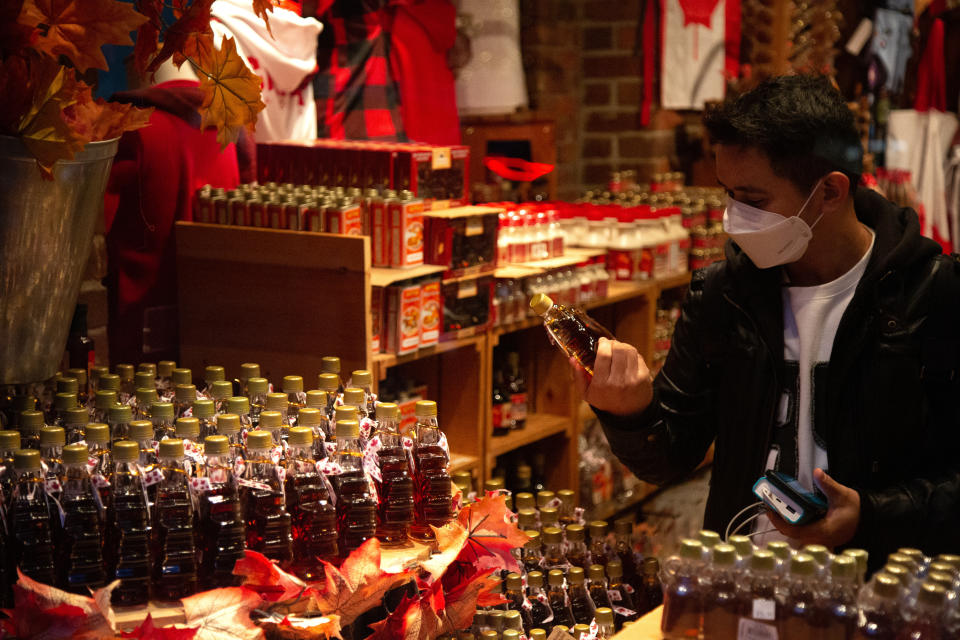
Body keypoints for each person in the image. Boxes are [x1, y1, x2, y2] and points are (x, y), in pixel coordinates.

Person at [574, 74, 960, 568]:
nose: (733, 218)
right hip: (742, 584)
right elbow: (669, 457)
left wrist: (871, 515)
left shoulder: (933, 294)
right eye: (727, 194)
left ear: (829, 192)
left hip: (879, 591)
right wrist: (629, 411)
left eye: (753, 201)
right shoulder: (723, 294)